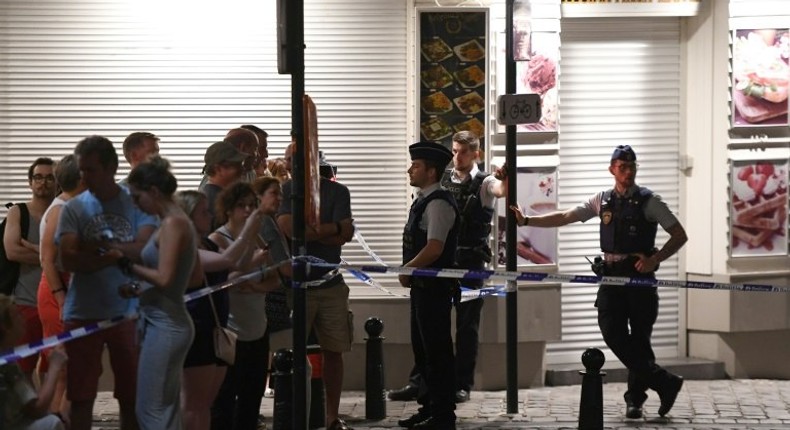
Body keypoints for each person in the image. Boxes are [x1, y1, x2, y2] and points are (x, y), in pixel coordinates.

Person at [510, 145, 687, 419]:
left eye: (632, 167)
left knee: (640, 341)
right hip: (611, 276)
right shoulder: (602, 200)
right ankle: (664, 382)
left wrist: (655, 259)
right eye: (622, 167)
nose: (628, 172)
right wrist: (527, 220)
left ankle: (635, 401)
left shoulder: (649, 201)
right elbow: (566, 216)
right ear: (612, 169)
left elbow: (678, 234)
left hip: (639, 277)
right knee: (611, 331)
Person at [389, 131, 507, 403]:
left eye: (463, 151)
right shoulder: (439, 182)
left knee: (466, 327)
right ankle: (421, 383)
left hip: (470, 262)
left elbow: (500, 191)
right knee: (428, 327)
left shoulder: (485, 181)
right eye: (454, 151)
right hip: (441, 263)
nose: (457, 156)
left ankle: (461, 384)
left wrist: (505, 178)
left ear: (475, 153)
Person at [57, 135, 158, 430]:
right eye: (81, 170)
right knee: (81, 395)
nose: (84, 176)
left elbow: (144, 248)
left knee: (131, 395)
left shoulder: (136, 203)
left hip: (128, 310)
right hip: (82, 311)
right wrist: (113, 254)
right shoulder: (74, 208)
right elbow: (67, 259)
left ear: (111, 167)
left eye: (91, 170)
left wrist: (95, 248)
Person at [112, 156, 203, 429]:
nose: (135, 204)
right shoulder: (172, 221)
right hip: (161, 320)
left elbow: (165, 278)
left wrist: (127, 264)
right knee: (163, 406)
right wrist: (140, 288)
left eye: (137, 198)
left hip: (167, 324)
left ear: (153, 192)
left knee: (151, 410)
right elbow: (190, 276)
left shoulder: (174, 224)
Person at [175, 190, 265, 430]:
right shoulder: (185, 247)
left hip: (215, 328)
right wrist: (249, 229)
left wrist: (253, 231)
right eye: (203, 212)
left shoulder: (207, 243)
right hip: (197, 328)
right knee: (194, 404)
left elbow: (237, 265)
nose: (209, 215)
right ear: (189, 216)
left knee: (205, 403)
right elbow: (226, 260)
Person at [277, 154, 355, 430]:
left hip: (330, 284)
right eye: (288, 158)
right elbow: (291, 230)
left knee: (334, 350)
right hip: (297, 287)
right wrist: (330, 229)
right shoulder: (285, 190)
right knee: (292, 353)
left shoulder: (337, 190)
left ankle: (331, 416)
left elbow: (346, 233)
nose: (289, 163)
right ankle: (297, 416)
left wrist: (319, 231)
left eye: (293, 158)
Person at [397, 141, 459, 430]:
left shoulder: (438, 204)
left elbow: (435, 247)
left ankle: (443, 415)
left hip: (433, 290)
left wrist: (408, 269)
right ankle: (428, 407)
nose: (411, 169)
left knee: (437, 353)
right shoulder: (423, 199)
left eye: (416, 165)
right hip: (422, 288)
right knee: (422, 351)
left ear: (431, 172)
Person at [210, 182, 282, 430]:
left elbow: (274, 277)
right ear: (229, 209)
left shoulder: (258, 237)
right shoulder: (219, 238)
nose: (248, 211)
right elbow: (224, 280)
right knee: (226, 400)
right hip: (232, 331)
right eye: (242, 206)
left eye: (252, 206)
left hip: (257, 328)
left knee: (252, 399)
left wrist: (258, 287)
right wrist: (250, 264)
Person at [37, 154, 85, 422]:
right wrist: (61, 297)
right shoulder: (60, 210)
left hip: (73, 289)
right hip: (59, 290)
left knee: (75, 369)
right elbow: (46, 259)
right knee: (64, 368)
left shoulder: (75, 207)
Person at [3, 157, 57, 381]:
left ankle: (49, 415)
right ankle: (27, 415)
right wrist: (51, 258)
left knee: (53, 369)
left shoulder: (63, 212)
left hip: (57, 304)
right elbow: (13, 252)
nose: (43, 182)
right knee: (22, 369)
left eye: (49, 177)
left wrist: (40, 255)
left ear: (57, 182)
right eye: (38, 177)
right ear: (30, 182)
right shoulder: (18, 212)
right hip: (26, 303)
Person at [0, 294, 66, 430]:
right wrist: (54, 367)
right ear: (4, 327)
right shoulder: (8, 366)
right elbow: (37, 408)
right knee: (53, 422)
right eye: (17, 316)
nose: (23, 319)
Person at [198, 140, 248, 225]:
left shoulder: (217, 196)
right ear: (218, 169)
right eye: (236, 166)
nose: (243, 170)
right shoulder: (214, 201)